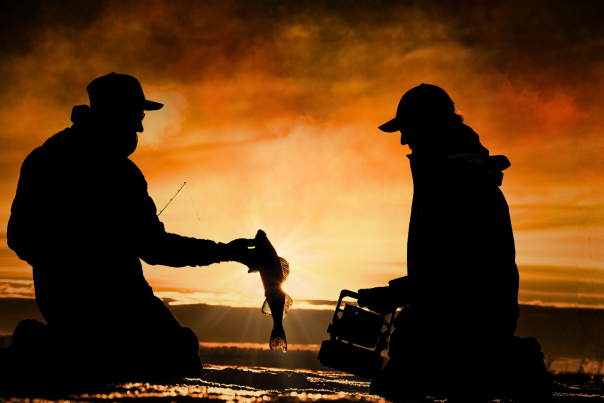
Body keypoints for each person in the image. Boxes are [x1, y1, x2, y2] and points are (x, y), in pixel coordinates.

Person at [5, 73, 258, 382]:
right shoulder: (109, 172)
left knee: (159, 353)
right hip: (110, 303)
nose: (139, 127)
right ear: (113, 112)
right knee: (177, 357)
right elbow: (155, 247)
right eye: (136, 117)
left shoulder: (50, 158)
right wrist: (226, 252)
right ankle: (40, 346)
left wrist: (226, 252)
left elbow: (19, 237)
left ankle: (47, 345)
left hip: (79, 301)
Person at [358, 84, 551, 401]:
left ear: (429, 125)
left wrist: (397, 294)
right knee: (403, 367)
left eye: (407, 129)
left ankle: (513, 364)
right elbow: (449, 266)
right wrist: (404, 295)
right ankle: (503, 361)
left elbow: (461, 269)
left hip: (470, 316)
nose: (405, 140)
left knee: (404, 381)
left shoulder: (455, 181)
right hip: (466, 309)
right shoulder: (456, 174)